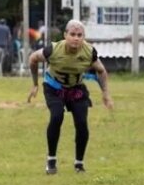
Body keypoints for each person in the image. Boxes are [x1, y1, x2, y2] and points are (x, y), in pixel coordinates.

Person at [27, 19, 113, 174]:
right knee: (57, 116)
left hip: (76, 89)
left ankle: (79, 164)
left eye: (80, 35)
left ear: (84, 37)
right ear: (65, 35)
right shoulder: (53, 50)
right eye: (72, 34)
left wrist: (105, 93)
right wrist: (35, 84)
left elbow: (101, 70)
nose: (76, 38)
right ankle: (51, 160)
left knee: (82, 123)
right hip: (54, 87)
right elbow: (33, 58)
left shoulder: (89, 52)